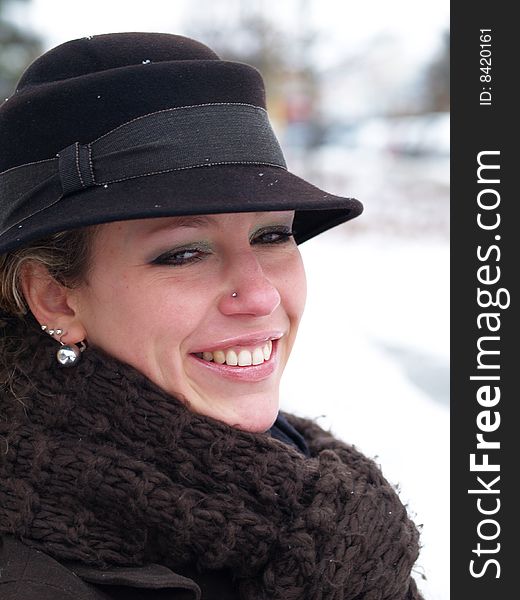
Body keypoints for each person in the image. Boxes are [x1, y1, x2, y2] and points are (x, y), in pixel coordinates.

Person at [0, 33, 423, 600]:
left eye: (273, 235)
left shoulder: (310, 491)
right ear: (55, 296)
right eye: (184, 252)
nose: (260, 295)